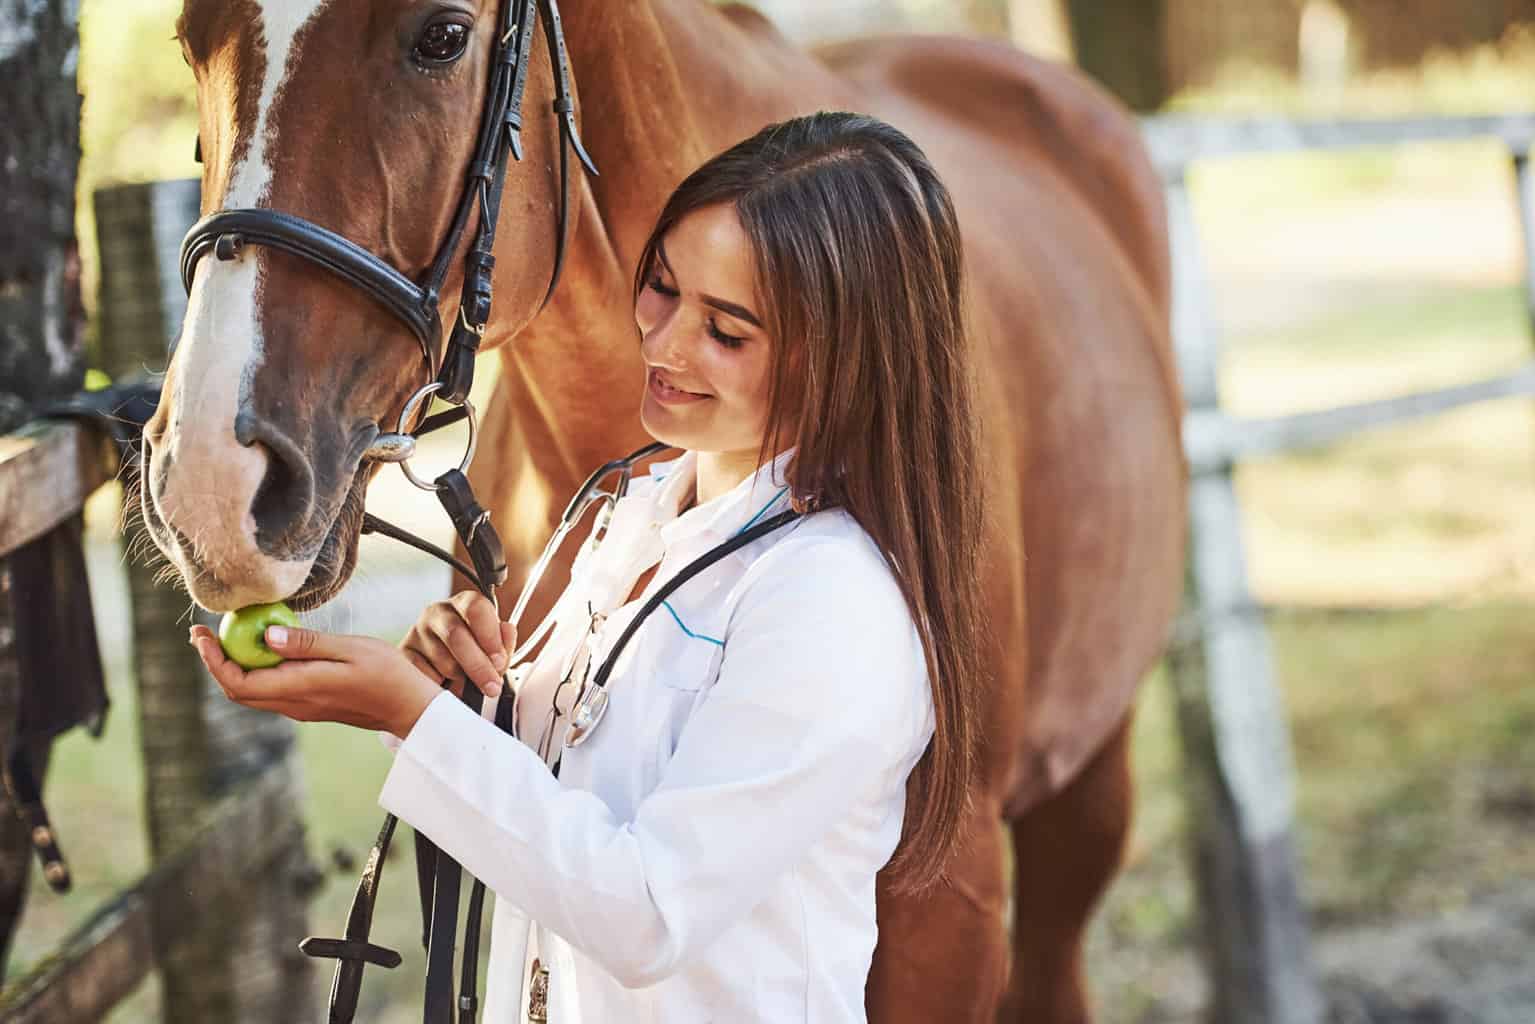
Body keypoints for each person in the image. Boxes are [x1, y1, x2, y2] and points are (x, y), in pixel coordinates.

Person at [190, 110, 987, 1022]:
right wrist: (455, 700)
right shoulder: (641, 512)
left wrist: (407, 715)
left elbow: (646, 911)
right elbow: (566, 810)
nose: (664, 344)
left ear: (849, 360)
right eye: (662, 289)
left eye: (726, 331)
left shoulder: (832, 604)